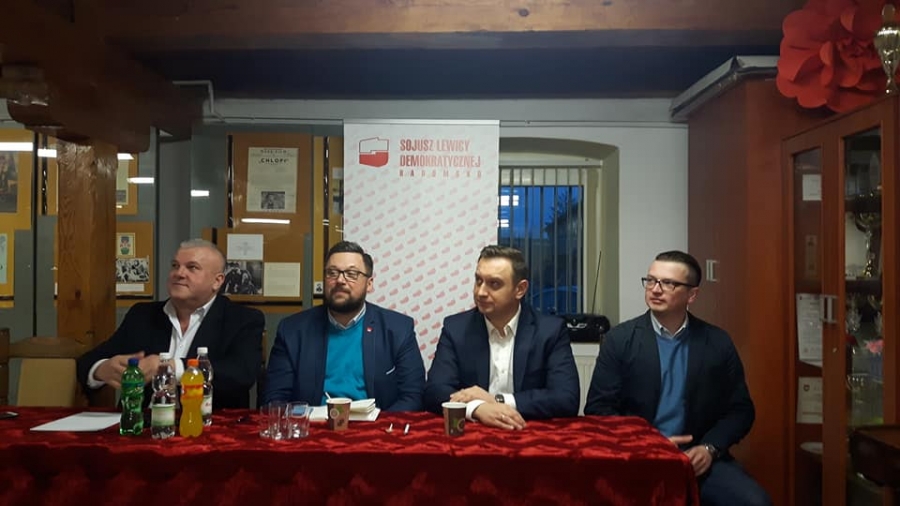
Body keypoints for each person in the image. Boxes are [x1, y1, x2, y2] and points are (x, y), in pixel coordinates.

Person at [584, 250, 771, 506]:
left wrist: (710, 449)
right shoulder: (620, 339)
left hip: (696, 457)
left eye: (668, 283)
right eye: (651, 280)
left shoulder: (717, 342)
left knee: (755, 502)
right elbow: (598, 409)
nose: (655, 289)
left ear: (692, 295)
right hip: (636, 455)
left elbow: (741, 410)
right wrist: (649, 442)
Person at [76, 239, 265, 409]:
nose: (179, 273)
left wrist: (172, 367)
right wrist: (102, 370)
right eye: (175, 266)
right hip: (142, 426)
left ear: (217, 281)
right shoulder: (142, 315)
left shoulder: (242, 319)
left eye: (192, 267)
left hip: (209, 427)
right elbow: (87, 363)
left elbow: (240, 374)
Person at [424, 245, 580, 429]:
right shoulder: (456, 328)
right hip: (473, 433)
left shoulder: (549, 331)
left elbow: (566, 398)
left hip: (527, 431)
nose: (481, 292)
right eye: (478, 281)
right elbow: (434, 391)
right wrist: (478, 408)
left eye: (494, 284)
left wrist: (497, 400)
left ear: (520, 289)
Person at [263, 241, 425, 411]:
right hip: (313, 424)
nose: (340, 280)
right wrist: (308, 418)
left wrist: (379, 424)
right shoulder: (292, 330)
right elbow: (274, 399)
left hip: (376, 424)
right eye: (332, 273)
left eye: (351, 274)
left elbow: (413, 396)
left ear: (369, 283)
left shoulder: (398, 329)